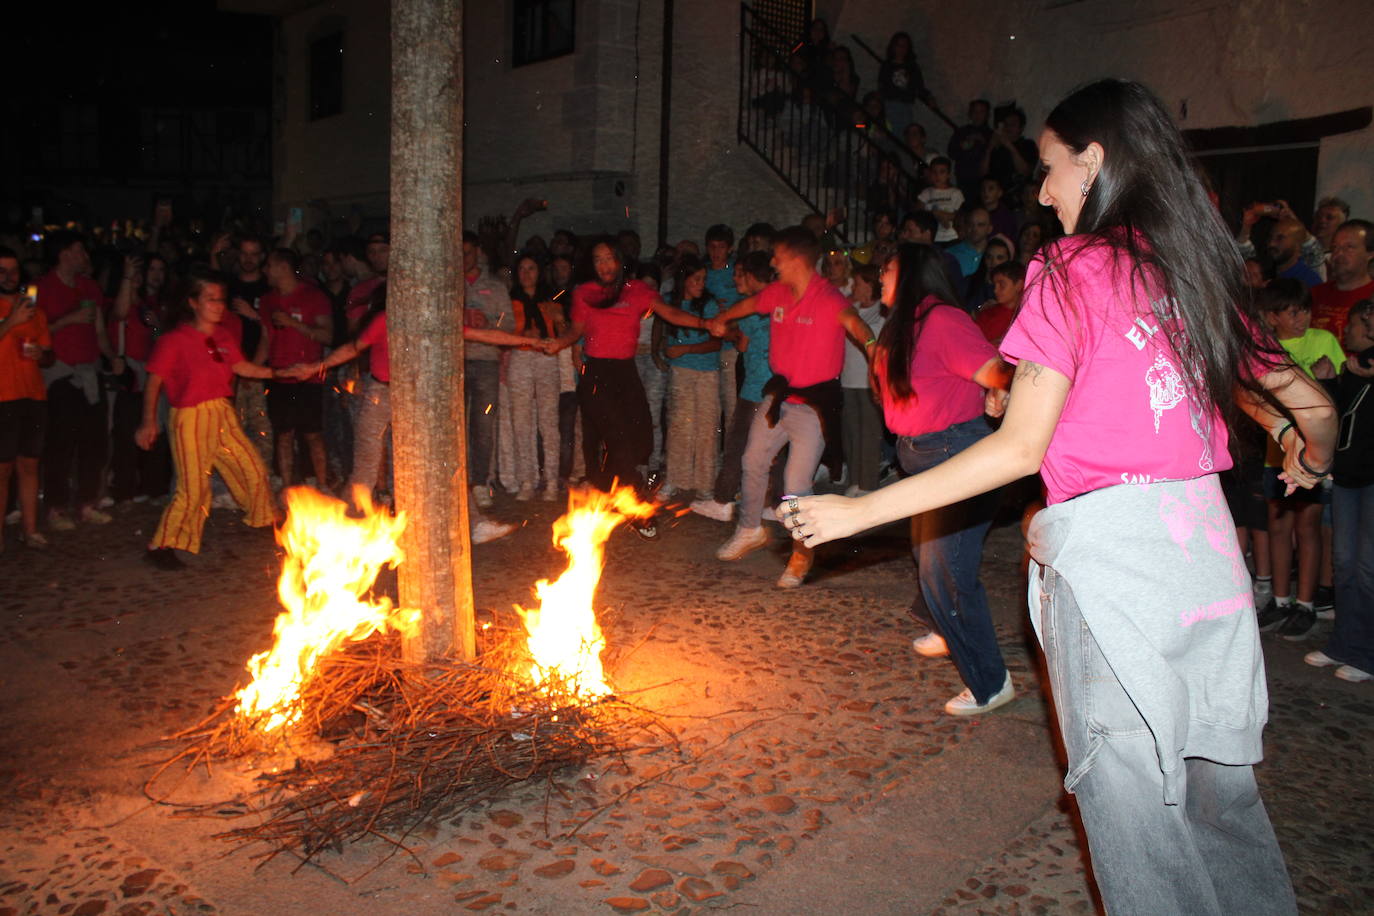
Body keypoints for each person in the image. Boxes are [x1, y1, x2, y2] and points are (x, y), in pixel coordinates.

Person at [783, 79, 1333, 913]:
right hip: (1207, 566)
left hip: (1117, 573)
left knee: (1138, 827)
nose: (1041, 192)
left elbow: (1018, 447)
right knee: (1222, 804)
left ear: (1095, 161)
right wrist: (1306, 451)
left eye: (1049, 169)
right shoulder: (1192, 267)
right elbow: (1315, 406)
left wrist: (860, 512)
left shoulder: (1071, 270)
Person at [872, 242, 1014, 713]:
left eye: (889, 268)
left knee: (946, 571)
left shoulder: (942, 320)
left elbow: (1001, 372)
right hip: (920, 454)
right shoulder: (905, 325)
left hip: (954, 453)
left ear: (912, 272)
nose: (880, 276)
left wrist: (997, 394)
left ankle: (990, 682)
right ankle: (947, 626)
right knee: (929, 558)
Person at [283, 289, 531, 545]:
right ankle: (346, 531)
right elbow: (353, 348)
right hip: (381, 392)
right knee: (366, 468)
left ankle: (474, 523)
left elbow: (483, 334)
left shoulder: (435, 319)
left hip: (418, 397)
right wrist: (315, 367)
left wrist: (531, 342)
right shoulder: (385, 320)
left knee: (447, 462)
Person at [706, 226, 877, 588]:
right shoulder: (778, 292)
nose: (773, 262)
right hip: (779, 396)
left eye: (778, 256)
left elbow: (858, 327)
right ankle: (750, 528)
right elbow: (751, 304)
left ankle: (802, 555)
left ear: (797, 260)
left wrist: (876, 350)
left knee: (795, 484)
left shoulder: (828, 298)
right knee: (752, 460)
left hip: (813, 407)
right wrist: (724, 319)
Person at [544, 237, 717, 539]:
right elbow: (577, 330)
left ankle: (606, 492)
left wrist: (705, 324)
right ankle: (635, 508)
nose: (604, 265)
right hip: (596, 374)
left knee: (641, 440)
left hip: (626, 372)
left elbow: (670, 313)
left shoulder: (637, 291)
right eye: (598, 259)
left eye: (609, 258)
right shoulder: (585, 292)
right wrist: (560, 342)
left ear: (620, 260)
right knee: (619, 441)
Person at [136, 266, 280, 570]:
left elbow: (242, 367)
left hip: (221, 411)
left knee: (251, 465)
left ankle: (265, 519)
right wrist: (149, 422)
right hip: (190, 417)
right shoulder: (174, 340)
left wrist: (280, 372)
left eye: (220, 299)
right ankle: (162, 544)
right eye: (210, 299)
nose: (218, 305)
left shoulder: (224, 335)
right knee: (193, 488)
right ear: (193, 303)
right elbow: (153, 383)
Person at [1253, 280, 1345, 639]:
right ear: (1273, 316)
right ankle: (1279, 599)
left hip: (1313, 456)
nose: (1302, 317)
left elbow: (1336, 399)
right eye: (1293, 311)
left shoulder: (1324, 342)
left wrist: (1331, 378)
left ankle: (1305, 604)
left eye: (1305, 309)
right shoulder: (1263, 346)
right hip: (1275, 452)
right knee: (1278, 527)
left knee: (1308, 528)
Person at [1306, 298, 1374, 682]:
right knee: (1345, 563)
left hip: (1370, 477)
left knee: (1367, 567)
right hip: (1349, 476)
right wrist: (1329, 381)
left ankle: (1367, 654)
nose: (1347, 332)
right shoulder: (1354, 367)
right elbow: (1340, 414)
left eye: (1357, 324)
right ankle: (1345, 644)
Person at [36, 231, 114, 530]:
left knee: (94, 442)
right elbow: (31, 335)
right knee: (61, 443)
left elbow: (99, 331)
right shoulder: (40, 288)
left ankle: (86, 504)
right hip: (60, 375)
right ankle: (55, 507)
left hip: (90, 371)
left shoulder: (89, 287)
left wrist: (113, 357)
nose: (85, 256)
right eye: (80, 249)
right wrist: (66, 321)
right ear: (65, 253)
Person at [692, 251, 775, 522]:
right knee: (775, 447)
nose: (735, 278)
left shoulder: (751, 306)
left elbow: (742, 345)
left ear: (751, 277)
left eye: (739, 274)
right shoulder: (779, 300)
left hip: (755, 387)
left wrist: (727, 329)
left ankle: (723, 499)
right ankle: (776, 504)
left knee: (737, 442)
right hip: (778, 384)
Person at [260, 247, 333, 490]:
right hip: (279, 376)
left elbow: (327, 335)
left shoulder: (314, 296)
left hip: (308, 376)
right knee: (283, 435)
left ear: (283, 268)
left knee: (313, 434)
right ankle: (288, 489)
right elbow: (266, 338)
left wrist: (293, 323)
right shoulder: (268, 300)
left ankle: (323, 486)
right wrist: (252, 369)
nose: (265, 271)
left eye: (269, 265)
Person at [0, 250, 52, 552]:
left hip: (32, 395)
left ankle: (30, 530)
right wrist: (11, 320)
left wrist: (41, 355)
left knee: (30, 465)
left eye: (13, 270)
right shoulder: (17, 311)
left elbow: (48, 355)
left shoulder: (35, 310)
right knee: (3, 469)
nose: (9, 276)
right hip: (3, 397)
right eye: (2, 271)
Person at [661, 256, 723, 501]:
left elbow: (716, 342)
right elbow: (661, 328)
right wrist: (663, 350)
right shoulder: (669, 303)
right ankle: (676, 479)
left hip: (706, 372)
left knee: (706, 428)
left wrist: (687, 349)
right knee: (679, 426)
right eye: (696, 279)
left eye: (703, 279)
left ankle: (705, 483)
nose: (700, 283)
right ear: (683, 280)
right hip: (681, 372)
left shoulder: (707, 305)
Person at [507, 253, 564, 501]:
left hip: (545, 358)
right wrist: (522, 334)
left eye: (531, 268)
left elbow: (563, 331)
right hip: (520, 358)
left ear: (539, 272)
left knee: (548, 422)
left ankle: (551, 480)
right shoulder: (510, 301)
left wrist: (559, 319)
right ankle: (527, 480)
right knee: (521, 422)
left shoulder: (551, 299)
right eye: (522, 268)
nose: (526, 273)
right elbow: (503, 330)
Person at [840, 262, 885, 496]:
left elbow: (874, 337)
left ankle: (868, 484)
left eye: (856, 283)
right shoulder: (852, 308)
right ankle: (855, 480)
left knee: (869, 434)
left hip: (868, 382)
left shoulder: (881, 311)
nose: (852, 287)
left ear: (869, 286)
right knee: (851, 433)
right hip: (848, 379)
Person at [1310, 219, 1374, 346]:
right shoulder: (1315, 293)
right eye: (1335, 247)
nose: (1338, 254)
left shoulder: (1372, 296)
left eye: (1349, 247)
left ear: (1370, 254)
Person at [916, 158, 963, 244]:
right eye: (934, 172)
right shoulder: (926, 193)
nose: (937, 176)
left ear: (948, 175)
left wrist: (942, 215)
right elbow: (918, 214)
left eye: (942, 172)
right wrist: (933, 214)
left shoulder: (955, 193)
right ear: (930, 174)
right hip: (932, 237)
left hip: (951, 236)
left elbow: (960, 216)